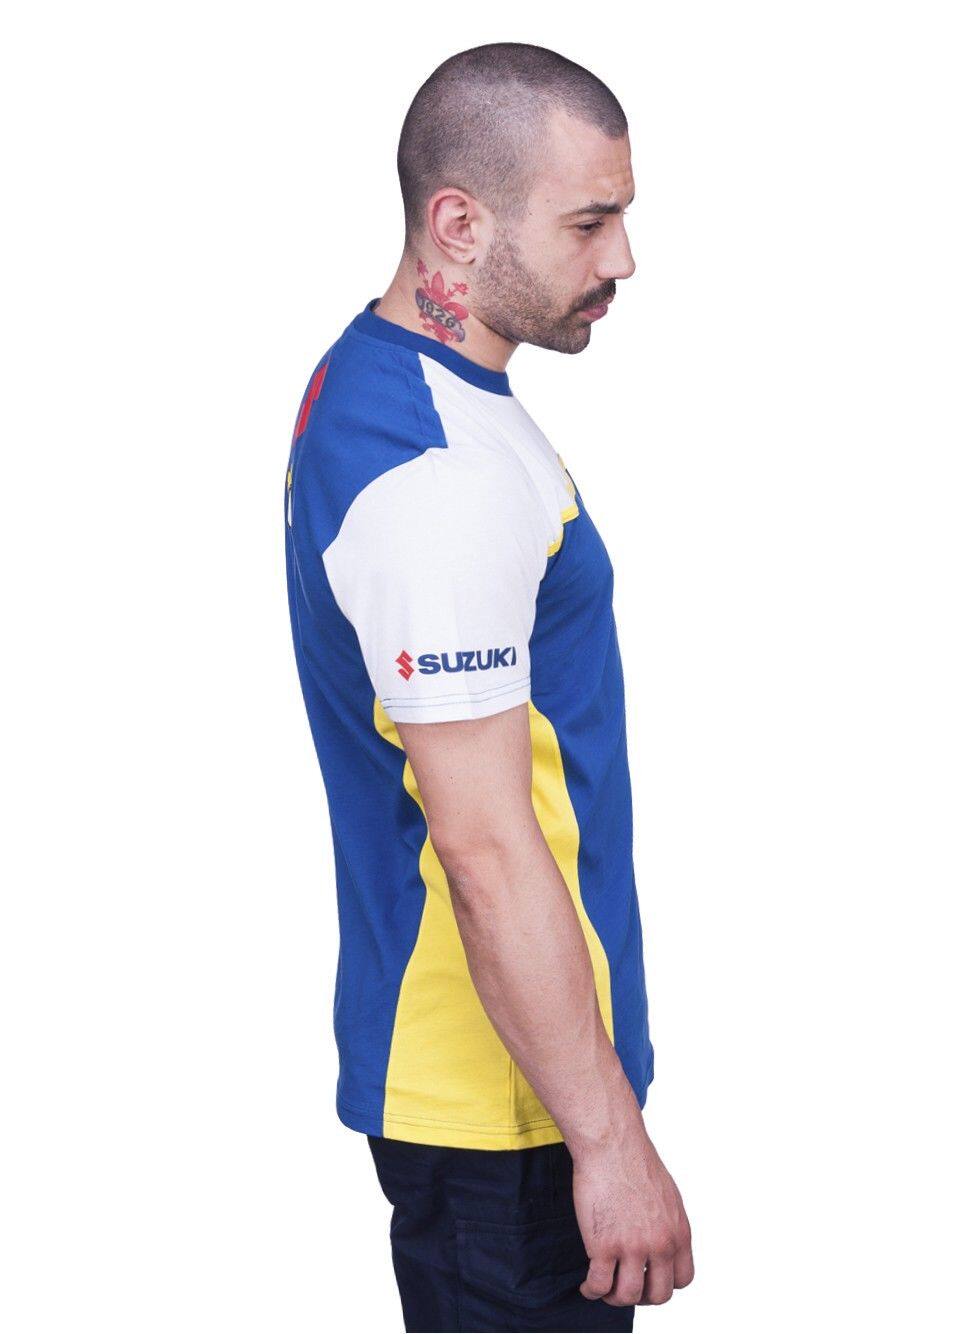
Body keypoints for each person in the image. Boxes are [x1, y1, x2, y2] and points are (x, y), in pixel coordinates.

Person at [284, 42, 694, 1333]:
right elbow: (482, 845)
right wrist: (608, 1141)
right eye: (589, 222)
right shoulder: (433, 473)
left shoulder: (406, 389)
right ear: (458, 224)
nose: (623, 258)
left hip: (513, 1086)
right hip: (505, 1112)